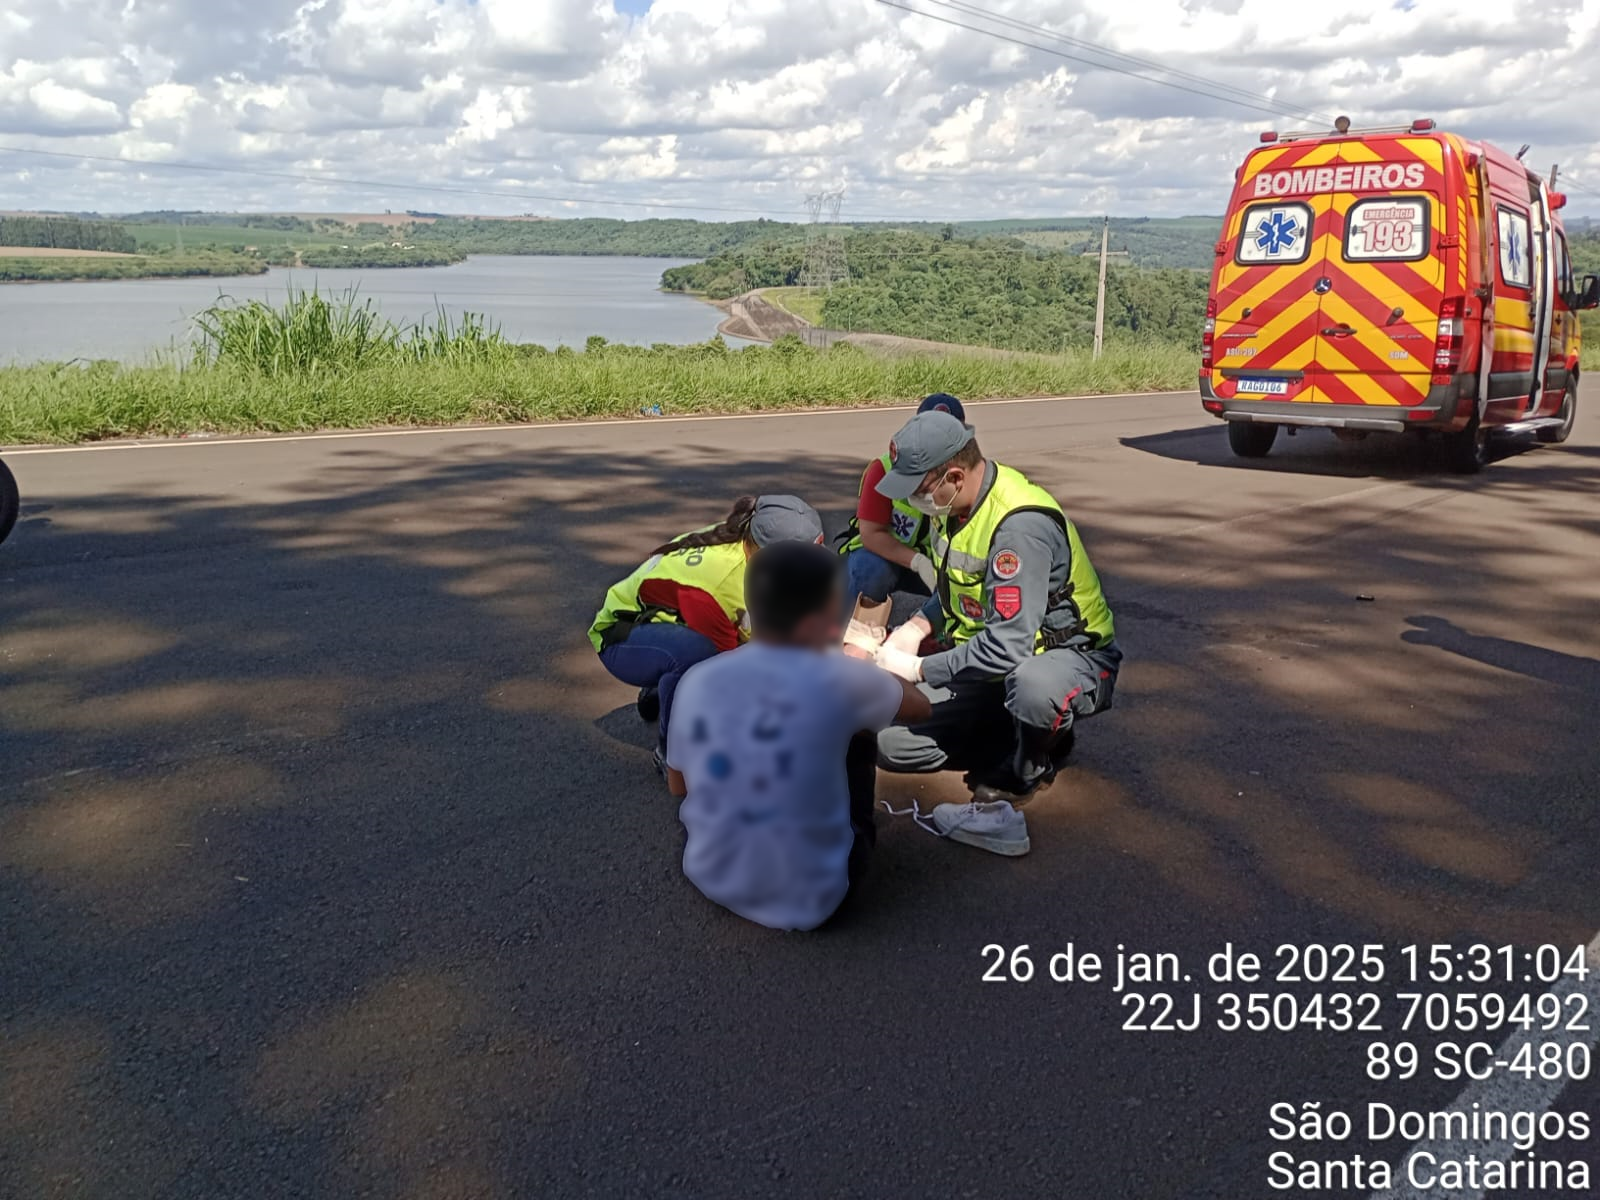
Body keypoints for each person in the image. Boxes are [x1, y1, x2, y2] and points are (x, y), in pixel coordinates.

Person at [868, 410, 1122, 841]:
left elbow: (1009, 646)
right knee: (888, 742)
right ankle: (1012, 728)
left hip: (1062, 658)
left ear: (953, 476)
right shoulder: (951, 508)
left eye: (917, 488)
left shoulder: (1019, 527)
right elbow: (954, 591)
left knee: (1033, 687)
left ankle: (1033, 759)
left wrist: (918, 669)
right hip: (988, 664)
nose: (910, 499)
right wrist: (915, 628)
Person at [664, 541, 932, 931]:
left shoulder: (696, 678)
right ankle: (848, 835)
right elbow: (920, 708)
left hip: (709, 872)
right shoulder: (844, 680)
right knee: (859, 730)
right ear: (829, 615)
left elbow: (678, 785)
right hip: (814, 901)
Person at [587, 495, 824, 770]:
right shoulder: (719, 585)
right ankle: (671, 751)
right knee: (698, 659)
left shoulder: (748, 542)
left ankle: (661, 686)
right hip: (620, 635)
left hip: (670, 621)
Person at [837, 394, 968, 610]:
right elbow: (871, 534)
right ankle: (853, 634)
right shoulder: (885, 468)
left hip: (941, 563)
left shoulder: (967, 475)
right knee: (870, 569)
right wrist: (918, 563)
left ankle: (943, 630)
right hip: (887, 557)